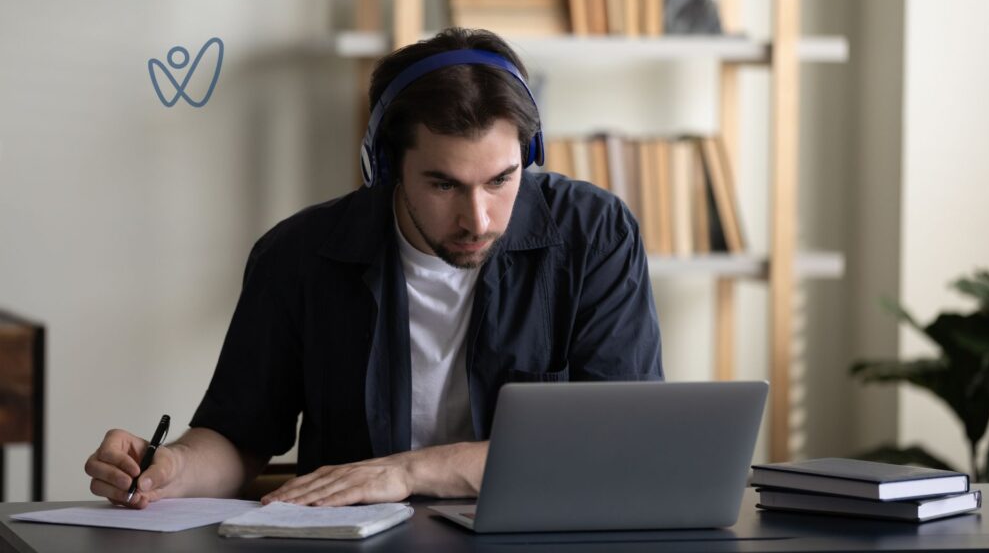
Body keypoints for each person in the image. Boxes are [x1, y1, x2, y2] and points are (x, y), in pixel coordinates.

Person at [84, 27, 663, 509]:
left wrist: (407, 472)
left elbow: (618, 442)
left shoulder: (596, 234)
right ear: (384, 166)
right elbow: (239, 438)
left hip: (542, 536)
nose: (478, 218)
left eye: (501, 179)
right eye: (443, 184)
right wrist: (172, 468)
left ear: (528, 157)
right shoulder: (297, 254)